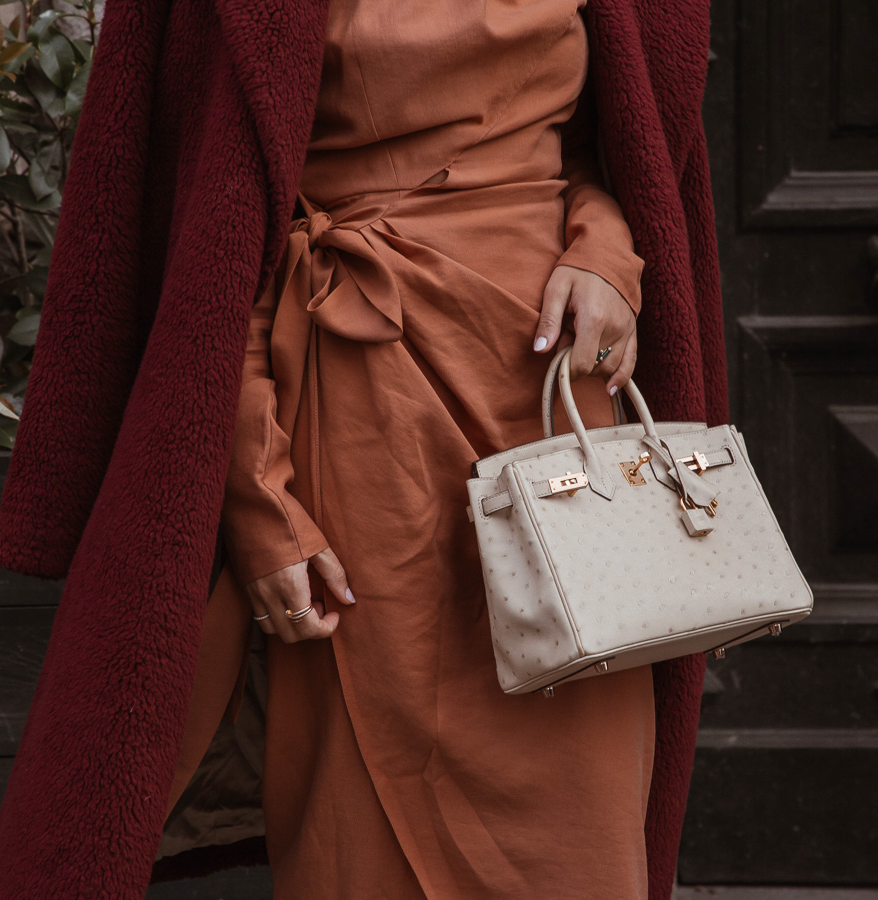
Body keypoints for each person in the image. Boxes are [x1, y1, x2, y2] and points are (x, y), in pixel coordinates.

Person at [173, 0, 656, 895]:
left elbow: (613, 143)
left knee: (578, 807)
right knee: (363, 814)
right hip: (361, 419)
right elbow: (215, 239)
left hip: (554, 408)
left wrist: (607, 252)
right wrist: (258, 500)